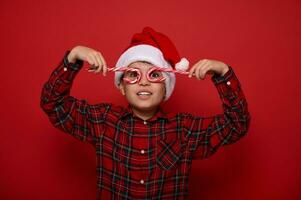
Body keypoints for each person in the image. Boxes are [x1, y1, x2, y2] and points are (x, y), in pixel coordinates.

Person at [40, 27, 250, 199]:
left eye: (155, 74)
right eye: (133, 74)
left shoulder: (184, 130)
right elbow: (53, 103)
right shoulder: (103, 121)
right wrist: (73, 58)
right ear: (122, 86)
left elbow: (237, 124)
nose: (143, 81)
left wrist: (223, 74)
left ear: (166, 87)